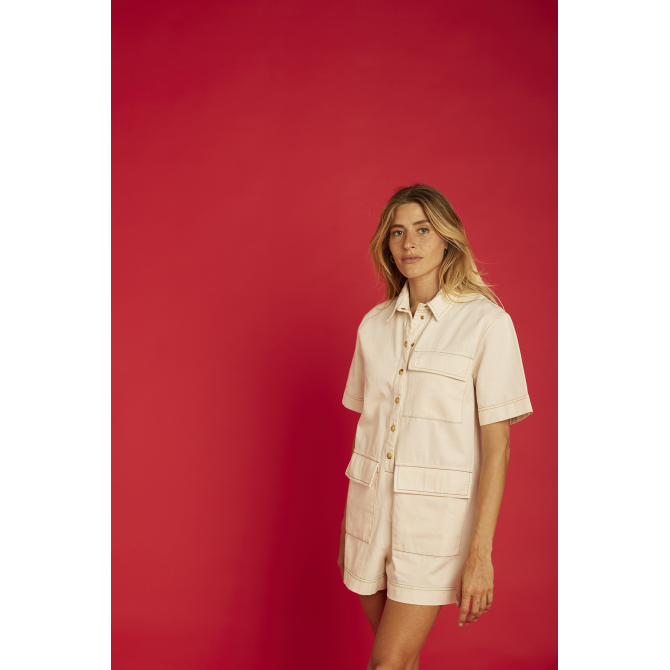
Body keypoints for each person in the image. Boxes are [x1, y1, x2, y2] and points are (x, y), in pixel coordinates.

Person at [337, 184, 533, 669]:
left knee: (387, 663)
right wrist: (349, 528)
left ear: (447, 238)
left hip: (433, 526)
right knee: (402, 663)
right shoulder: (373, 326)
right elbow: (371, 428)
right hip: (368, 519)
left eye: (423, 229)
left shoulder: (487, 324)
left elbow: (498, 446)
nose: (409, 243)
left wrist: (480, 552)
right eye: (398, 232)